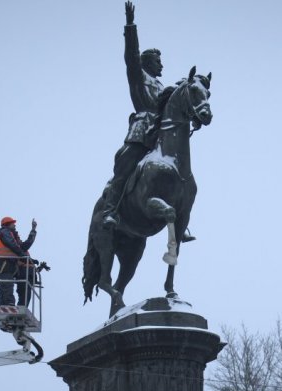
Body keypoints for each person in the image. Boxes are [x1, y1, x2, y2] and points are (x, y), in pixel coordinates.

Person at [99, 2, 173, 233]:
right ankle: (110, 210)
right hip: (141, 132)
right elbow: (131, 54)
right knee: (124, 166)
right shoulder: (138, 76)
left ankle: (179, 215)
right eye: (158, 61)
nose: (162, 64)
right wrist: (130, 25)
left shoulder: (161, 86)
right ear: (147, 62)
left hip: (160, 136)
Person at [0, 217, 40, 306]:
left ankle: (8, 303)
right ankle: (7, 304)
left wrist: (33, 230)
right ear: (7, 224)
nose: (14, 225)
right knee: (6, 285)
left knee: (8, 284)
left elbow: (24, 246)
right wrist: (24, 256)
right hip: (4, 263)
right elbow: (14, 247)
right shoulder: (5, 232)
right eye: (13, 223)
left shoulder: (12, 236)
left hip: (10, 263)